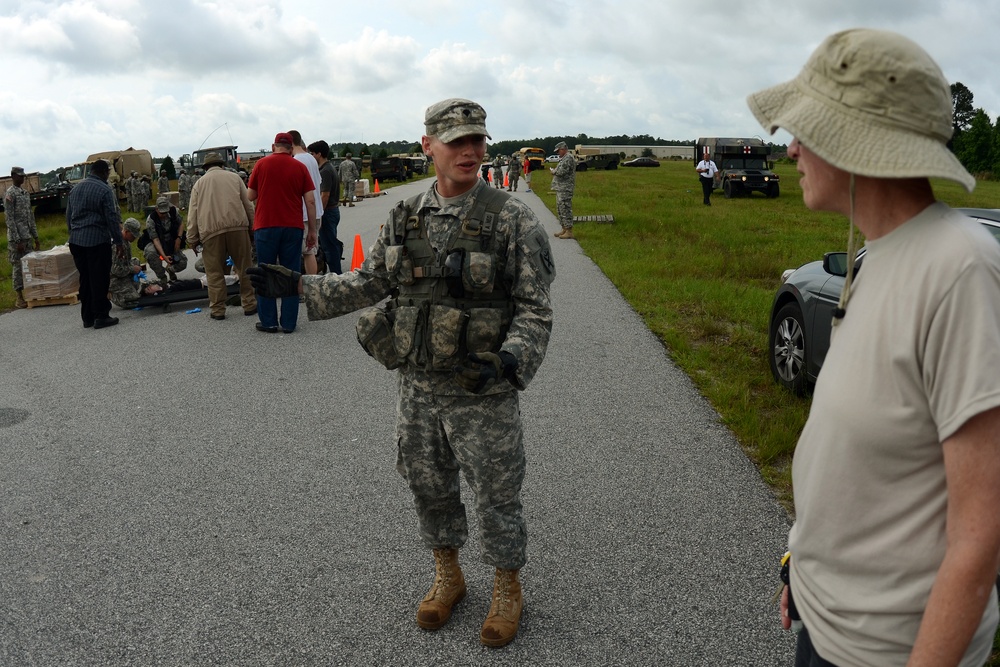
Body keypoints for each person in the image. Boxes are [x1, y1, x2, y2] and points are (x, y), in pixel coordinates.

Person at [247, 98, 555, 648]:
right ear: (428, 147)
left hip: (480, 389)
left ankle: (508, 586)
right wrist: (297, 285)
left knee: (496, 492)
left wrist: (510, 360)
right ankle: (449, 574)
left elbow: (534, 308)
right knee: (429, 487)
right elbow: (368, 284)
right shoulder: (404, 216)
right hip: (417, 388)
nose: (470, 150)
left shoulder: (511, 217)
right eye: (456, 141)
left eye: (477, 140)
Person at [748, 28, 1000, 666]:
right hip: (825, 621)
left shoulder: (960, 270)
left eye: (808, 128)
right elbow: (859, 455)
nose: (792, 146)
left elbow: (981, 535)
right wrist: (800, 568)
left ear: (857, 141)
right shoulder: (877, 256)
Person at [246, 132, 317, 334]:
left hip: (266, 226)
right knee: (291, 273)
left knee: (265, 272)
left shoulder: (261, 165)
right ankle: (288, 323)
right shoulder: (300, 167)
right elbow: (310, 201)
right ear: (291, 147)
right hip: (292, 227)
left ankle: (268, 322)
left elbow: (251, 195)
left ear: (273, 145)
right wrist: (312, 230)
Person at [185, 151, 256, 320]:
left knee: (214, 272)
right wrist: (253, 228)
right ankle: (250, 304)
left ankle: (218, 310)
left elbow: (192, 214)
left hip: (211, 232)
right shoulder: (235, 178)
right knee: (245, 266)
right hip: (237, 228)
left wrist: (192, 239)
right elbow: (248, 205)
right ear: (222, 164)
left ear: (205, 167)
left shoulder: (199, 184)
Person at [65, 158, 122, 329]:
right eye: (108, 173)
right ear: (104, 172)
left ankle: (87, 317)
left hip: (76, 241)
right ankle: (101, 316)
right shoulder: (104, 190)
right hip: (96, 241)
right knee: (99, 278)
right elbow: (111, 218)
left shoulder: (75, 189)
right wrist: (118, 241)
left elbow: (68, 216)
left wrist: (73, 233)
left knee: (85, 278)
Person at [5, 166, 41, 308]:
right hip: (17, 239)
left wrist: (36, 237)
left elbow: (30, 216)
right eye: (19, 176)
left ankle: (31, 294)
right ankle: (19, 298)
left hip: (27, 237)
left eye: (23, 176)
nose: (22, 178)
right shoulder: (10, 194)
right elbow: (9, 219)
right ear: (13, 176)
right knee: (18, 267)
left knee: (29, 266)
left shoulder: (25, 193)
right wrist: (17, 240)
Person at [289, 130, 323, 275]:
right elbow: (318, 182)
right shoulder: (311, 159)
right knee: (311, 251)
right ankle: (313, 286)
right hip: (316, 212)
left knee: (303, 253)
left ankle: (305, 287)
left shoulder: (295, 161)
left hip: (303, 214)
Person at [109, 217, 161, 309]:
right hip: (113, 278)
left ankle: (131, 285)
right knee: (134, 299)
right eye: (133, 235)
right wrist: (133, 269)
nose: (135, 237)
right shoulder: (117, 245)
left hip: (123, 272)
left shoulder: (126, 242)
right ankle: (112, 294)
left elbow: (127, 261)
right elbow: (115, 270)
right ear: (126, 231)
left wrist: (133, 267)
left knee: (135, 261)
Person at [308, 139, 343, 274]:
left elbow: (325, 195)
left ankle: (336, 274)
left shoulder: (325, 171)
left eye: (312, 154)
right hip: (332, 211)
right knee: (330, 243)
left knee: (329, 246)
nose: (311, 157)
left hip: (328, 212)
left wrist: (319, 214)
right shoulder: (328, 168)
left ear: (319, 154)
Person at [142, 196, 188, 283]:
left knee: (182, 263)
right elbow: (155, 240)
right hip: (158, 242)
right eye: (161, 213)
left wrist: (179, 238)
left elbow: (181, 223)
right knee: (150, 253)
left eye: (165, 212)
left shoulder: (173, 212)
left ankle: (170, 270)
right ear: (156, 209)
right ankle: (162, 277)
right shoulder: (151, 220)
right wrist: (164, 256)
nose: (164, 215)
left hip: (171, 240)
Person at [550, 141, 576, 239]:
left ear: (563, 149)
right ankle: (564, 228)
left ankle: (569, 230)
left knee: (565, 208)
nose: (558, 153)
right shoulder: (564, 158)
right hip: (561, 188)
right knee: (560, 208)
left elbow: (561, 172)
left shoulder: (568, 158)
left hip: (565, 188)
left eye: (558, 151)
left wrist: (554, 172)